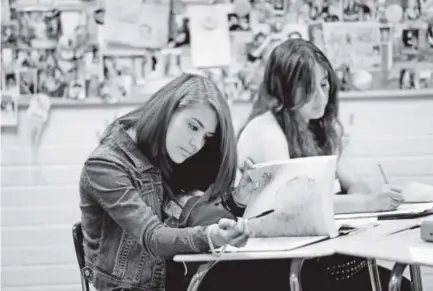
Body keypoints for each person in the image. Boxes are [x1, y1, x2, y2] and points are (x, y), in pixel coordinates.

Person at [231, 39, 410, 291]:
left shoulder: (317, 126)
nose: (320, 96)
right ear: (283, 87)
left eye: (324, 84)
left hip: (317, 254)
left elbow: (355, 182)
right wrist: (363, 204)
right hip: (280, 264)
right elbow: (297, 207)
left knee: (400, 282)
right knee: (398, 285)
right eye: (307, 87)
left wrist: (357, 199)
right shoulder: (265, 130)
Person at [79, 74, 251, 291]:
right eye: (193, 126)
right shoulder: (104, 165)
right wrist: (211, 236)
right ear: (168, 110)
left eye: (206, 136)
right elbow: (154, 237)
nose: (196, 143)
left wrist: (238, 200)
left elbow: (192, 217)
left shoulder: (165, 154)